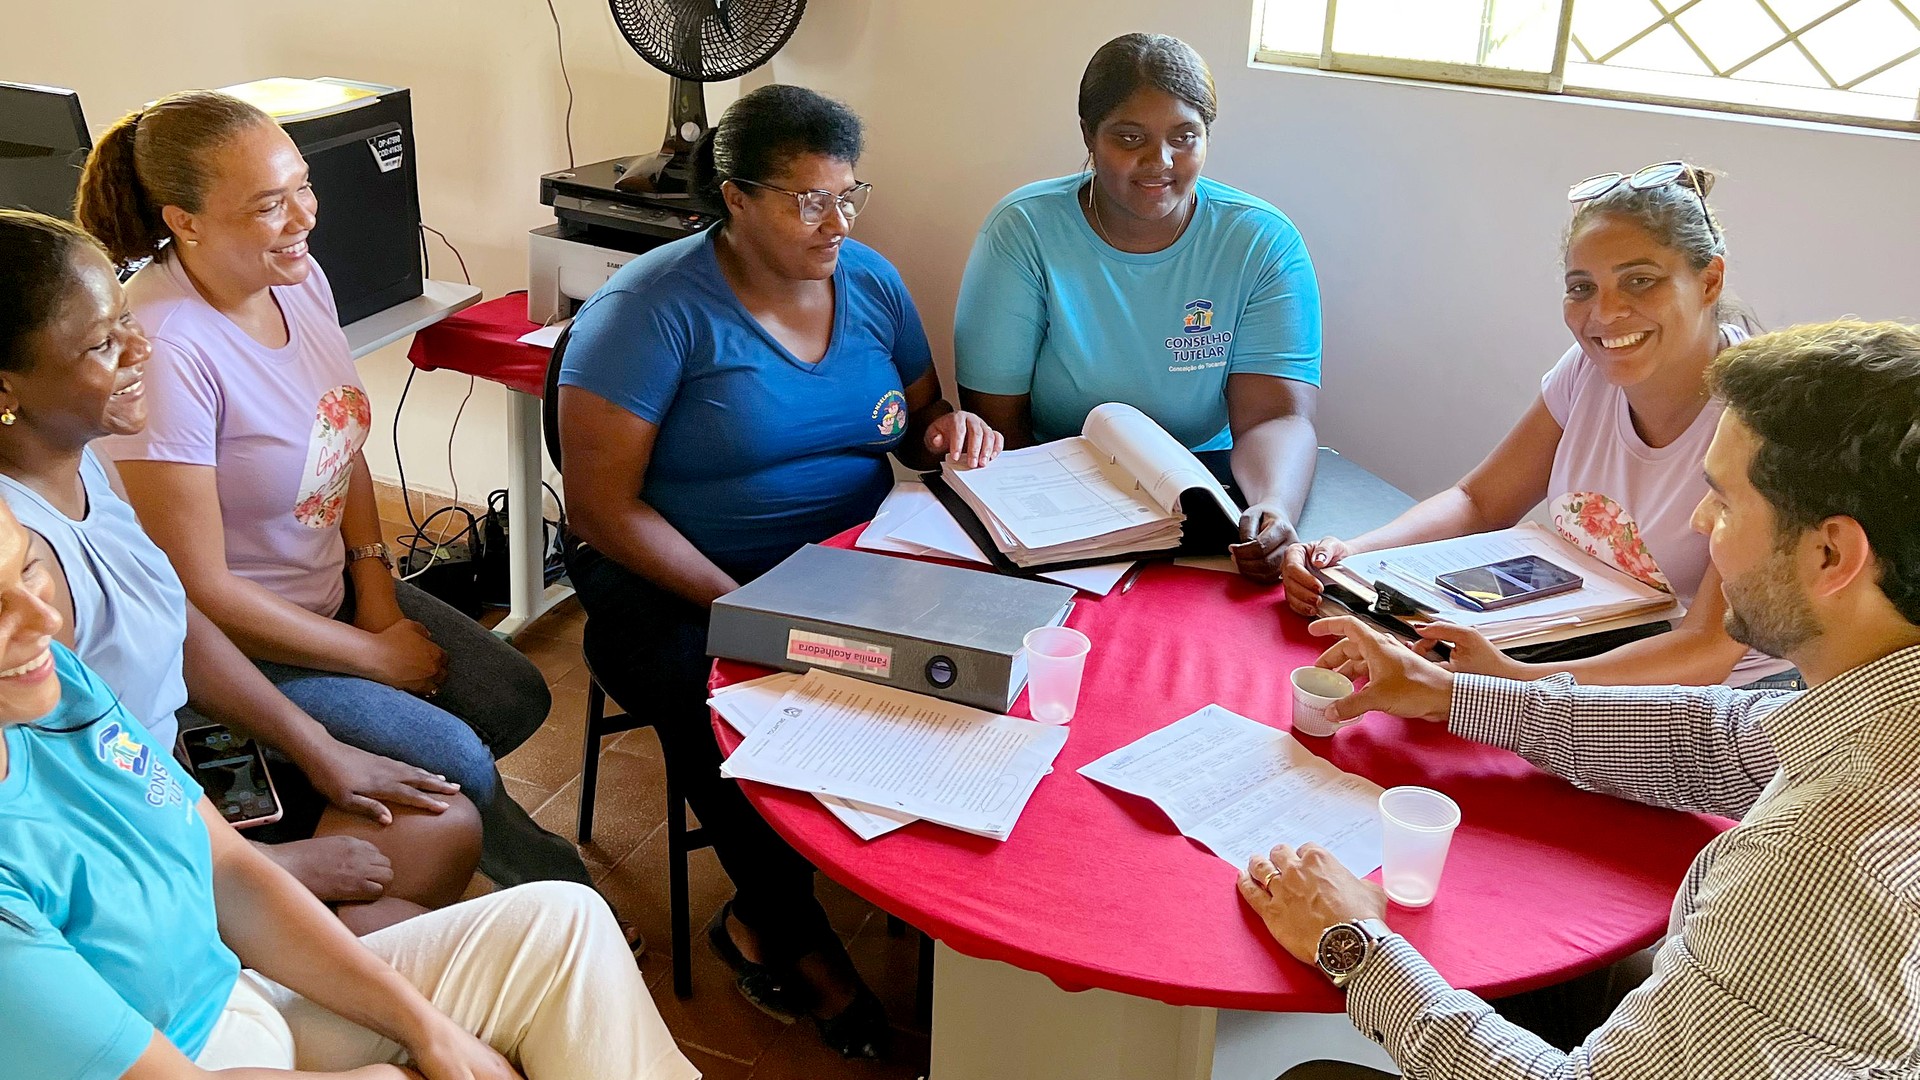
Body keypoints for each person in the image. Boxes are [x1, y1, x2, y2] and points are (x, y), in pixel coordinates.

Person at [1243, 320, 1920, 1078]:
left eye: (1724, 503)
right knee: (1548, 982)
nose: (1700, 523)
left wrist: (1356, 948)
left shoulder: (1823, 861)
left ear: (1831, 555)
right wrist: (1457, 695)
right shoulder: (1881, 705)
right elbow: (1717, 740)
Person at [558, 83, 998, 1059]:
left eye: (851, 194)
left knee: (974, 658)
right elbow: (600, 508)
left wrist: (949, 430)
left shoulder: (872, 283)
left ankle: (921, 887)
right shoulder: (650, 311)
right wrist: (742, 603)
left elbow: (919, 428)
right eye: (808, 200)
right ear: (736, 196)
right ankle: (780, 929)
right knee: (714, 697)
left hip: (835, 563)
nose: (837, 221)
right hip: (668, 574)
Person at [73, 90, 591, 888]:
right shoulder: (169, 348)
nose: (303, 218)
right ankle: (549, 884)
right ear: (185, 220)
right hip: (244, 642)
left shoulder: (297, 277)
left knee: (512, 696)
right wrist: (370, 658)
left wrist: (376, 591)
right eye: (269, 204)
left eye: (303, 187)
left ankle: (361, 811)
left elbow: (339, 436)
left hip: (327, 591)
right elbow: (199, 591)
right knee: (452, 752)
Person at [0, 493, 697, 1080]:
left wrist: (426, 1029)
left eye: (28, 568)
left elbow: (229, 869)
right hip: (180, 1063)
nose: (44, 620)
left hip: (228, 1001)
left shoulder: (55, 688)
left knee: (561, 923)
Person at [0, 208, 481, 933]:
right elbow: (59, 803)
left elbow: (179, 617)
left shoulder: (81, 463)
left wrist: (318, 748)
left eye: (127, 319)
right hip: (123, 860)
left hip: (173, 796)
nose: (143, 350)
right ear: (8, 391)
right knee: (406, 926)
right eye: (104, 344)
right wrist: (265, 870)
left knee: (445, 825)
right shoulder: (24, 566)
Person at [1282, 162, 1793, 688]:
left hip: (1712, 696)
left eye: (1640, 281)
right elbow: (1480, 501)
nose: (1606, 313)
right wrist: (1352, 554)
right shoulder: (1585, 371)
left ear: (1709, 280)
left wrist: (1512, 681)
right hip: (1578, 648)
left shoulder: (1764, 422)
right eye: (1582, 287)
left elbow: (1706, 650)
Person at [954, 32, 1323, 582]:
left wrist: (1272, 505)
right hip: (1059, 499)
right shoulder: (1025, 231)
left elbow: (1275, 416)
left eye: (1185, 137)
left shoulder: (1260, 241)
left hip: (1208, 488)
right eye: (1130, 138)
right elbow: (996, 428)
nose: (1160, 162)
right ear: (1089, 136)